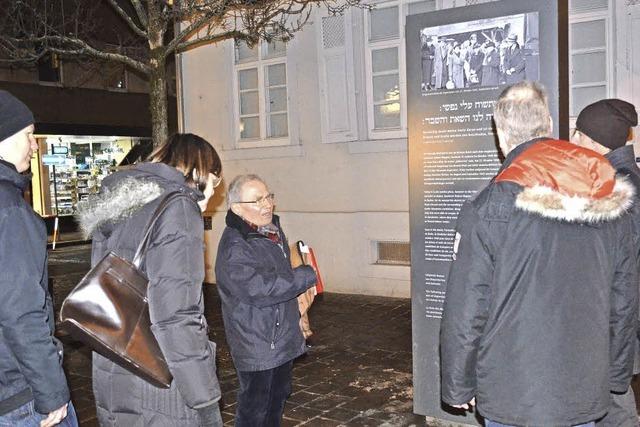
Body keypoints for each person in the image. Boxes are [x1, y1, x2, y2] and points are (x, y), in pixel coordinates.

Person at [440, 81, 638, 427]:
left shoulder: (490, 206)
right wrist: (617, 376)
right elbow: (624, 299)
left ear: (501, 135)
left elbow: (468, 306)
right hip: (584, 385)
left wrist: (458, 385)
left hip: (512, 388)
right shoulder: (609, 198)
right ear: (548, 124)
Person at [76, 133, 223, 426]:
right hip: (158, 381)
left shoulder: (122, 201)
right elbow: (176, 316)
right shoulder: (179, 207)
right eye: (213, 184)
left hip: (114, 364)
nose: (212, 196)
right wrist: (205, 400)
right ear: (197, 173)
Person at [0, 91, 78, 427]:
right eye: (28, 136)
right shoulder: (10, 211)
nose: (34, 146)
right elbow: (21, 312)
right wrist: (52, 392)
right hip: (21, 393)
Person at [215, 174, 317, 426]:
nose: (267, 205)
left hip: (279, 336)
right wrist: (304, 276)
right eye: (257, 200)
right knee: (254, 407)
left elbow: (279, 273)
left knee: (277, 399)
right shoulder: (235, 246)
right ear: (237, 208)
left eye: (268, 196)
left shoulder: (270, 231)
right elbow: (259, 289)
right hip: (257, 340)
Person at [571, 99, 639, 427]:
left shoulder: (615, 187)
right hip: (619, 315)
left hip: (614, 316)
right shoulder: (624, 176)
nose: (573, 140)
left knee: (614, 399)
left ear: (596, 143)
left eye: (579, 134)